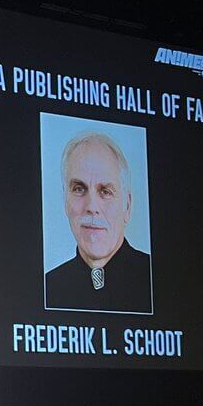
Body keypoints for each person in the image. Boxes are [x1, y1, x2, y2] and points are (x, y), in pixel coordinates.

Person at [45, 131, 151, 313]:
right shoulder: (48, 286)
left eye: (105, 191)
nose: (92, 206)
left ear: (127, 205)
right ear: (65, 201)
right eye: (79, 189)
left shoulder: (154, 278)